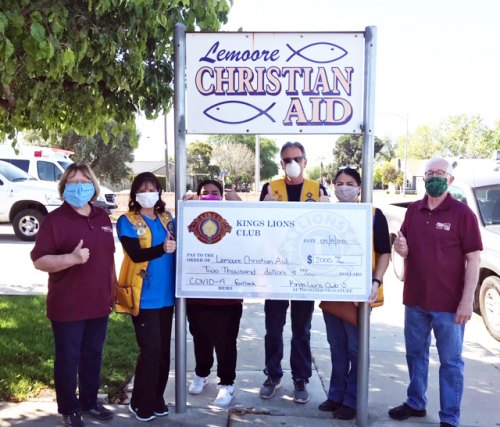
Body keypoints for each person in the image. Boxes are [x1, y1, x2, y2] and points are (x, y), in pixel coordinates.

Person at [388, 157, 482, 427]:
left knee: (451, 363)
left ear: (450, 179)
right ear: (424, 179)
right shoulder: (413, 211)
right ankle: (416, 402)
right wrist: (402, 250)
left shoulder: (463, 214)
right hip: (416, 299)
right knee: (415, 355)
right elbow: (405, 247)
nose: (435, 177)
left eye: (441, 173)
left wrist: (467, 301)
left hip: (450, 305)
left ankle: (450, 417)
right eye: (430, 173)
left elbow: (473, 259)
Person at [30, 163, 115, 427]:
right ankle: (69, 407)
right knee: (68, 358)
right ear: (65, 186)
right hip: (67, 305)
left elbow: (109, 258)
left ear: (93, 185)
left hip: (99, 303)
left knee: (93, 355)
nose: (80, 185)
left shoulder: (101, 217)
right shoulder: (55, 220)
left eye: (85, 180)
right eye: (73, 181)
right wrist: (71, 258)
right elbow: (39, 260)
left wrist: (113, 290)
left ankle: (89, 402)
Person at [259, 141, 329, 404]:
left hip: (304, 271)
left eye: (297, 158)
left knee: (302, 328)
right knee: (273, 328)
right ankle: (273, 375)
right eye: (287, 158)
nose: (292, 162)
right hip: (276, 271)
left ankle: (300, 378)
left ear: (305, 161)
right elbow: (259, 228)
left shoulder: (317, 189)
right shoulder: (270, 188)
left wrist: (327, 207)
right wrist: (262, 207)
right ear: (281, 163)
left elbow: (326, 229)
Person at [318, 167, 390, 420]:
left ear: (359, 187)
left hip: (358, 295)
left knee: (356, 350)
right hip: (331, 292)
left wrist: (376, 281)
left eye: (350, 183)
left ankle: (353, 400)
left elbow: (384, 252)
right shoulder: (325, 214)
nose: (344, 187)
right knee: (337, 348)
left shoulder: (373, 215)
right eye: (339, 183)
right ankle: (336, 395)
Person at [115, 172, 176, 422]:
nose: (148, 192)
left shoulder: (166, 218)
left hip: (167, 296)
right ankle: (140, 401)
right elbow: (135, 254)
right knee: (150, 350)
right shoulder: (127, 220)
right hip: (143, 297)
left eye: (152, 188)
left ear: (160, 192)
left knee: (163, 353)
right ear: (135, 193)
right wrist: (161, 249)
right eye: (143, 188)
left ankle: (156, 398)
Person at [183, 179, 243, 407]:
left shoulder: (232, 218)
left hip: (227, 296)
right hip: (197, 292)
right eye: (204, 192)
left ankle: (227, 383)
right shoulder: (191, 219)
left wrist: (239, 205)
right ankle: (201, 373)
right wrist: (184, 206)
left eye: (214, 192)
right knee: (200, 337)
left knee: (226, 341)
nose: (209, 195)